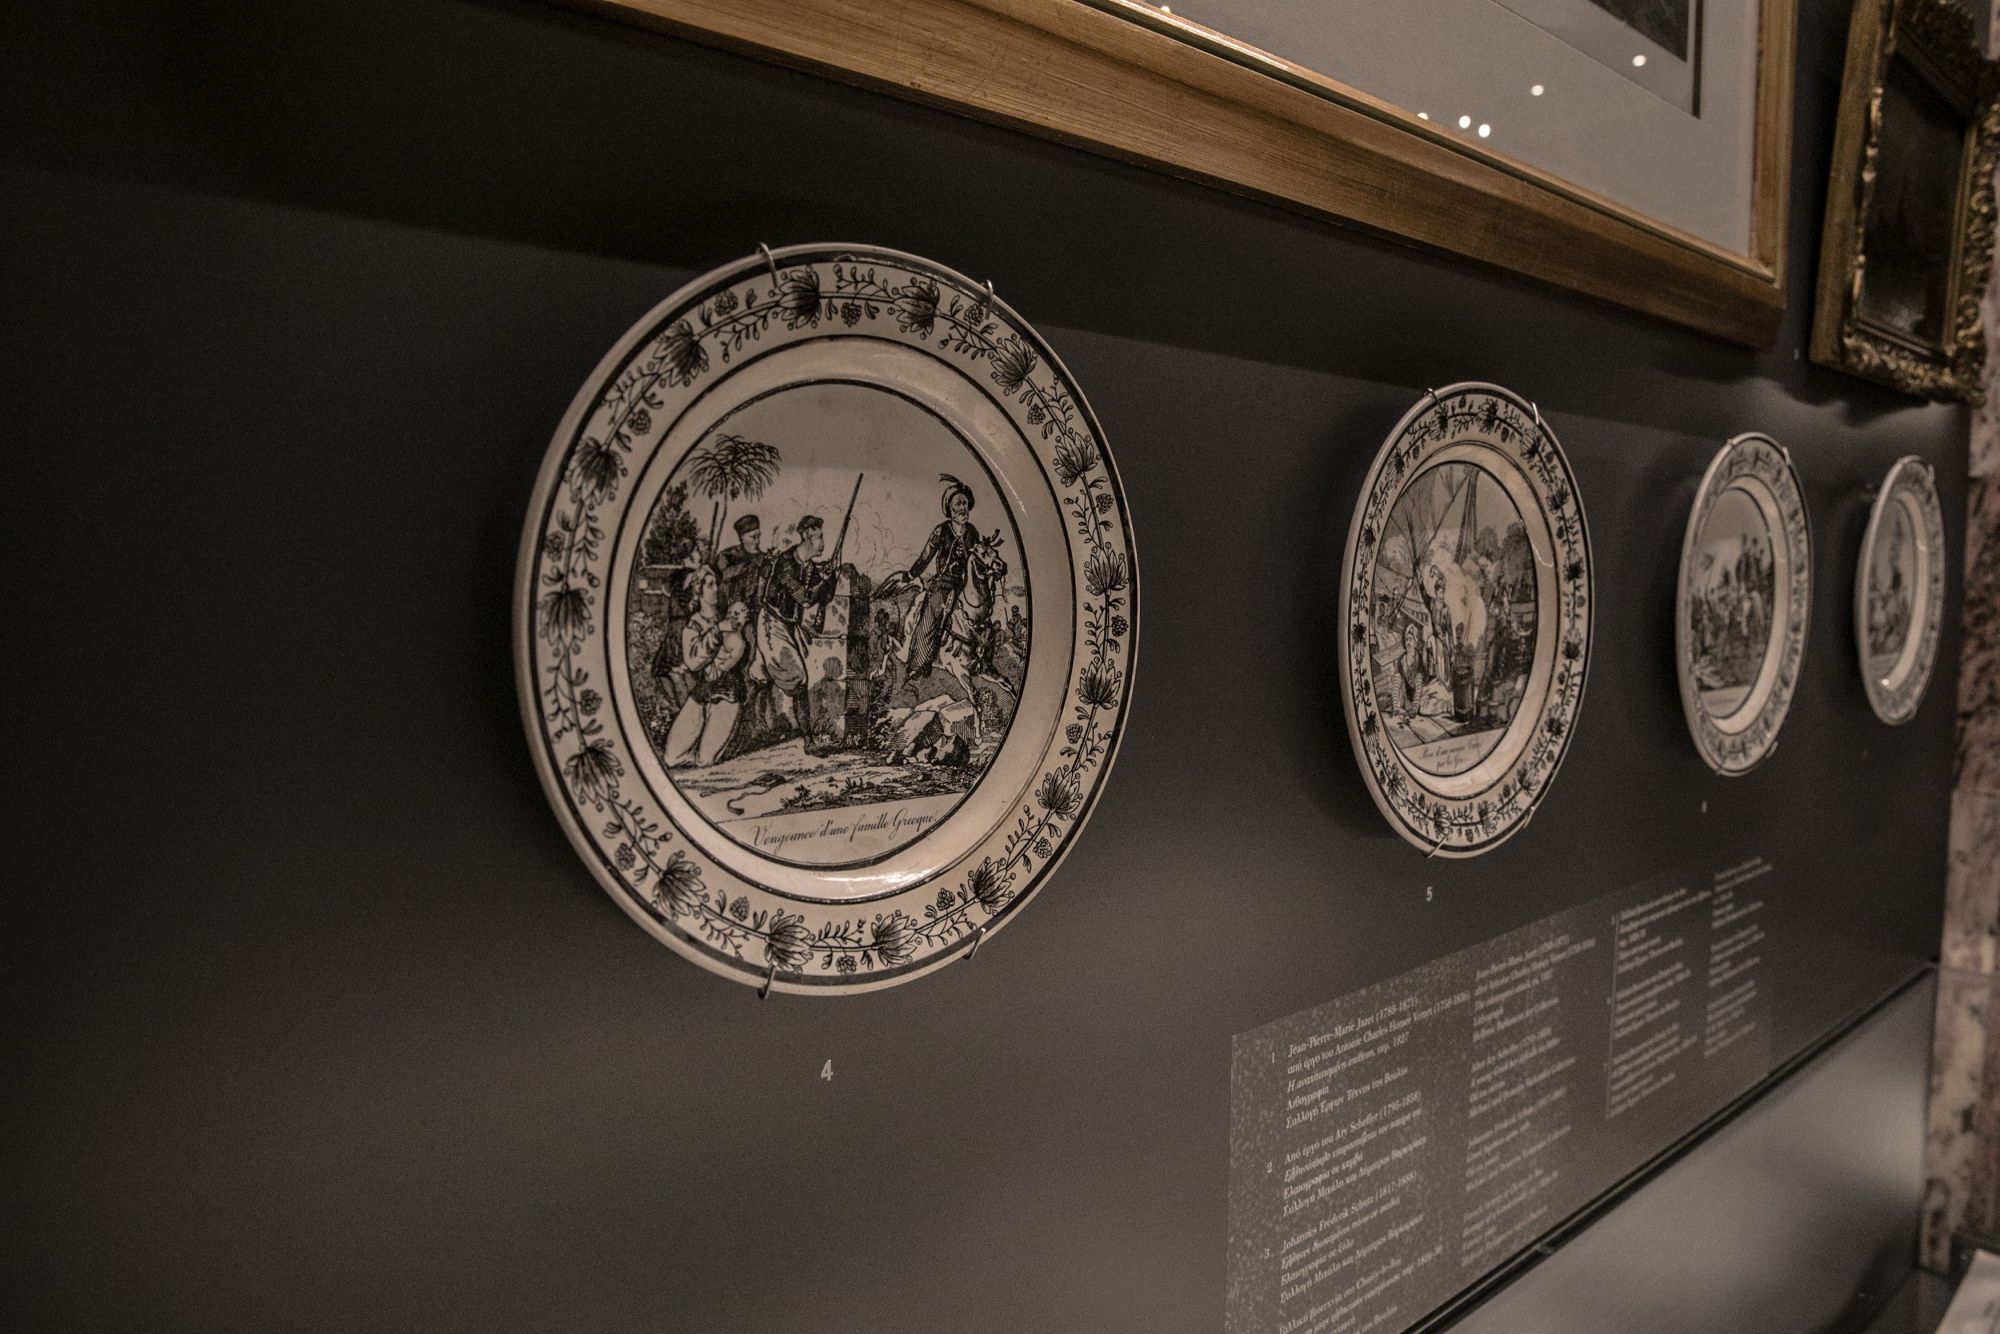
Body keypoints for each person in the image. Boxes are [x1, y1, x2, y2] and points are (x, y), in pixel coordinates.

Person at [884, 475, 979, 685]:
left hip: (966, 585)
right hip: (944, 583)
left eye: (965, 503)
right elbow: (926, 556)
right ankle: (918, 666)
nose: (963, 508)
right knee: (931, 615)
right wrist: (911, 574)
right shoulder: (941, 531)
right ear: (949, 509)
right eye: (958, 504)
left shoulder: (973, 532)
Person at [754, 515, 838, 740]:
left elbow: (825, 597)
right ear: (807, 536)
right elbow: (806, 599)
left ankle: (807, 739)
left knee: (792, 679)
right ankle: (805, 738)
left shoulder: (809, 567)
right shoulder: (785, 563)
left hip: (789, 626)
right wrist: (824, 581)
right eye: (819, 537)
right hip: (772, 623)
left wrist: (831, 577)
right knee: (797, 677)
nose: (822, 543)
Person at [665, 571, 750, 767]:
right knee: (672, 756)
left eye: (716, 583)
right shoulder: (693, 626)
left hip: (728, 693)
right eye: (710, 585)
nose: (716, 589)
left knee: (706, 760)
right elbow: (694, 662)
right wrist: (717, 630)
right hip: (703, 691)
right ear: (698, 591)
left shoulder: (729, 614)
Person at [717, 514, 770, 627]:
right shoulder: (727, 556)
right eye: (753, 537)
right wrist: (750, 564)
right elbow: (724, 575)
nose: (757, 541)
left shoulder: (764, 559)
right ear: (741, 537)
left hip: (754, 619)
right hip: (728, 615)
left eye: (758, 536)